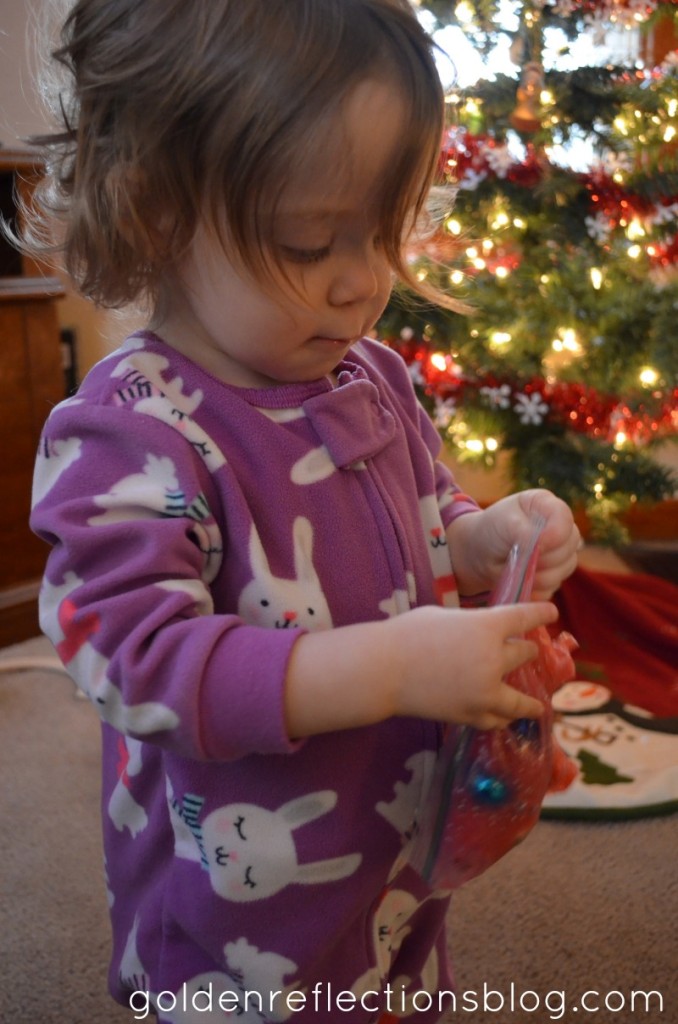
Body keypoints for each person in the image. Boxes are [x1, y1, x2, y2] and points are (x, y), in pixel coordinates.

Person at [21, 1, 580, 1020]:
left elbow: (425, 504)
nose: (365, 281)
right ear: (156, 211)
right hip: (229, 918)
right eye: (311, 239)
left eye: (382, 230)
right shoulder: (124, 430)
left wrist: (480, 533)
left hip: (388, 840)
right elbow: (138, 665)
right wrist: (394, 665)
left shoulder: (372, 375)